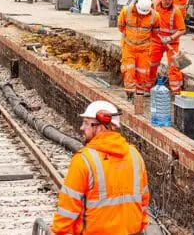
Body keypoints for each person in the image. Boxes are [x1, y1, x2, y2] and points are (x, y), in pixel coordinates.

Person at [51, 100, 149, 235]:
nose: (82, 128)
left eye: (86, 123)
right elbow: (143, 199)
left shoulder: (84, 160)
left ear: (101, 127)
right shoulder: (134, 155)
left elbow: (69, 206)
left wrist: (57, 232)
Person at [118, 0, 157, 101]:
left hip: (144, 49)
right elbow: (121, 27)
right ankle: (130, 94)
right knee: (129, 71)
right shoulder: (126, 12)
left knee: (142, 73)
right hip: (128, 47)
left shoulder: (154, 16)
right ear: (136, 5)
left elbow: (155, 32)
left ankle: (139, 96)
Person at [148, 0, 186, 93]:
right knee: (151, 64)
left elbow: (182, 30)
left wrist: (170, 38)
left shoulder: (176, 11)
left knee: (174, 67)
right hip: (156, 41)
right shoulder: (154, 6)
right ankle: (147, 87)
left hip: (172, 43)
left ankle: (176, 91)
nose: (167, 1)